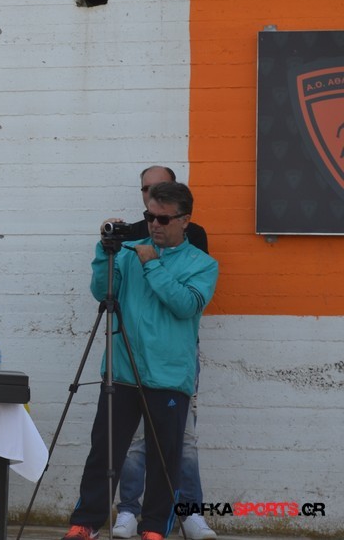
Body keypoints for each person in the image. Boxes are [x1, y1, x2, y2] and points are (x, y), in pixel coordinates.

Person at [61, 181, 218, 540]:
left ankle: (154, 528)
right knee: (104, 452)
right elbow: (103, 292)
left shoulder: (202, 264)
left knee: (164, 458)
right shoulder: (130, 252)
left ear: (185, 220)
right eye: (150, 216)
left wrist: (153, 265)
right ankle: (86, 522)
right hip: (122, 371)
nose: (154, 225)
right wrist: (105, 253)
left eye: (163, 219)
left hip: (169, 376)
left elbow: (186, 305)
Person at [112, 166, 216, 540]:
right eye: (145, 190)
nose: (151, 200)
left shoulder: (194, 235)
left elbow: (184, 299)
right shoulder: (132, 233)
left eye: (158, 189)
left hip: (174, 357)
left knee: (181, 440)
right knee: (133, 440)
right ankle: (129, 509)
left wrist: (151, 263)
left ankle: (188, 511)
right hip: (134, 356)